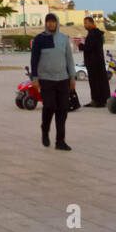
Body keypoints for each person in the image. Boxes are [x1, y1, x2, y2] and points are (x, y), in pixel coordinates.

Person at [30, 12, 76, 150]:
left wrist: (72, 77)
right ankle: (45, 129)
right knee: (49, 106)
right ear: (45, 23)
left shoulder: (63, 39)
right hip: (46, 79)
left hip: (63, 79)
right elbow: (34, 59)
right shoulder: (39, 39)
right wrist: (35, 78)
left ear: (57, 22)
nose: (50, 24)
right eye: (48, 21)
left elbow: (69, 59)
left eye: (53, 21)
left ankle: (60, 141)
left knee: (63, 110)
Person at [82, 16, 108, 107]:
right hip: (98, 61)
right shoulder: (96, 33)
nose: (84, 25)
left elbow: (89, 48)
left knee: (95, 82)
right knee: (100, 81)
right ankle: (102, 100)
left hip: (94, 62)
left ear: (91, 23)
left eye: (86, 23)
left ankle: (97, 100)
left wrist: (81, 46)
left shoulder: (93, 34)